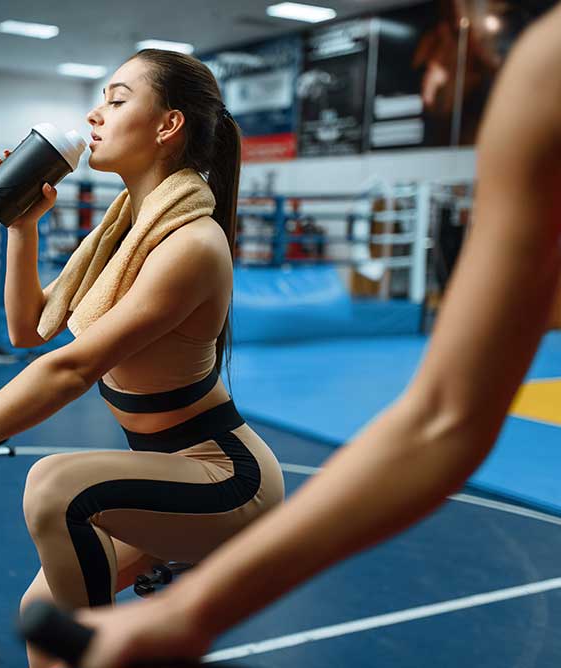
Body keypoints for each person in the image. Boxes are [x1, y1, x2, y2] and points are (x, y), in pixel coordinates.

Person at [50, 5, 561, 667]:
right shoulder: (541, 79)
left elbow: (443, 418)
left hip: (219, 471)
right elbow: (444, 417)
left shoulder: (539, 76)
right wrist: (191, 612)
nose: (435, 64)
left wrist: (192, 611)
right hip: (191, 471)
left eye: (451, 26)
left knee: (55, 488)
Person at [0, 49, 285, 667]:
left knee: (55, 487)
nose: (95, 115)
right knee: (43, 624)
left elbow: (70, 367)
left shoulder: (191, 243)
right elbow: (29, 329)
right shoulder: (123, 230)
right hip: (164, 474)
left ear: (168, 125)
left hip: (226, 480)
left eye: (116, 100)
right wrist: (22, 226)